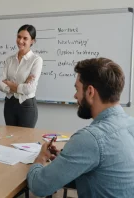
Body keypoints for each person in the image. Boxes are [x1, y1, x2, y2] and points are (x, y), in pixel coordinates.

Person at [27, 58, 134, 197]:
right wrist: (67, 159)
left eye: (77, 89)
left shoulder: (90, 139)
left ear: (90, 92)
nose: (75, 95)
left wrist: (40, 158)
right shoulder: (130, 123)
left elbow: (38, 186)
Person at [0, 24, 43, 128]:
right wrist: (20, 86)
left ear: (32, 41)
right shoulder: (9, 60)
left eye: (25, 38)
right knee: (10, 138)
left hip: (26, 105)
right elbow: (0, 83)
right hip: (9, 104)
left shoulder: (36, 60)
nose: (20, 41)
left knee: (25, 141)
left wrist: (9, 84)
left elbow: (30, 88)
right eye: (19, 37)